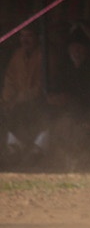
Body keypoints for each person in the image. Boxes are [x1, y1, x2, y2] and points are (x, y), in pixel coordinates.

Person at [45, 23, 90, 170]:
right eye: (73, 47)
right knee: (60, 124)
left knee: (76, 127)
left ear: (86, 49)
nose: (77, 51)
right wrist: (57, 99)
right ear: (68, 49)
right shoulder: (64, 67)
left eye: (80, 47)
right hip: (70, 113)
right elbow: (55, 91)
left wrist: (84, 114)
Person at [1, 25, 46, 164]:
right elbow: (9, 80)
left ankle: (34, 152)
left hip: (39, 102)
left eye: (29, 36)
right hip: (17, 102)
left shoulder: (44, 55)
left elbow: (43, 85)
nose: (25, 40)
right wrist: (7, 101)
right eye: (22, 36)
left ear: (37, 38)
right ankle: (12, 151)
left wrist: (22, 98)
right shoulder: (17, 55)